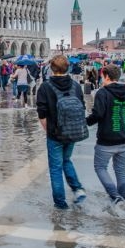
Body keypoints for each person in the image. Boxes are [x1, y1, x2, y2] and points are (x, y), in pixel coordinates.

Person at [36, 55, 87, 209]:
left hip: (55, 133)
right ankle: (77, 189)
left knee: (56, 168)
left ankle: (61, 204)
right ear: (68, 68)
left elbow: (42, 114)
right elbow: (82, 107)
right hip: (72, 132)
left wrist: (49, 130)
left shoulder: (45, 87)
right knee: (66, 160)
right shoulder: (76, 86)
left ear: (52, 69)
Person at [86, 64, 125, 207]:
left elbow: (97, 114)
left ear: (106, 76)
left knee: (100, 167)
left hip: (106, 140)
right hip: (124, 139)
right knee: (120, 169)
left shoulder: (102, 93)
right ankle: (122, 198)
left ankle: (115, 196)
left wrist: (85, 122)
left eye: (102, 75)